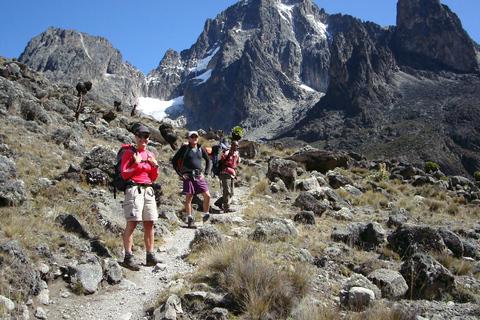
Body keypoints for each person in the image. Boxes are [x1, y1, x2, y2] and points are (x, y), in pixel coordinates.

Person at [121, 125, 161, 271]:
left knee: (149, 223)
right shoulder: (128, 153)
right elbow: (125, 174)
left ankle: (150, 255)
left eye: (146, 136)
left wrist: (155, 166)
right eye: (141, 136)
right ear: (136, 136)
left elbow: (153, 177)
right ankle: (128, 256)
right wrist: (136, 163)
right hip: (134, 190)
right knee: (132, 222)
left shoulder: (150, 154)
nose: (143, 139)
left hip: (148, 190)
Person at [172, 131, 212, 227]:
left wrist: (206, 174)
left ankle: (206, 215)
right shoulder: (184, 149)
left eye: (196, 137)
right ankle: (190, 219)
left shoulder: (200, 148)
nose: (194, 139)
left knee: (207, 196)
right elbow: (174, 160)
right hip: (188, 176)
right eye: (192, 137)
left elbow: (208, 160)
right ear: (189, 138)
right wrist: (180, 174)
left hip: (198, 176)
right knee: (189, 198)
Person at [214, 140, 240, 212]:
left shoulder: (237, 154)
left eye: (237, 145)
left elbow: (236, 163)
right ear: (231, 145)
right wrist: (222, 152)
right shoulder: (227, 152)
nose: (236, 147)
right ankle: (226, 207)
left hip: (232, 173)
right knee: (227, 191)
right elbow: (219, 158)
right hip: (224, 172)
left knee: (231, 193)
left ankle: (219, 202)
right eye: (234, 145)